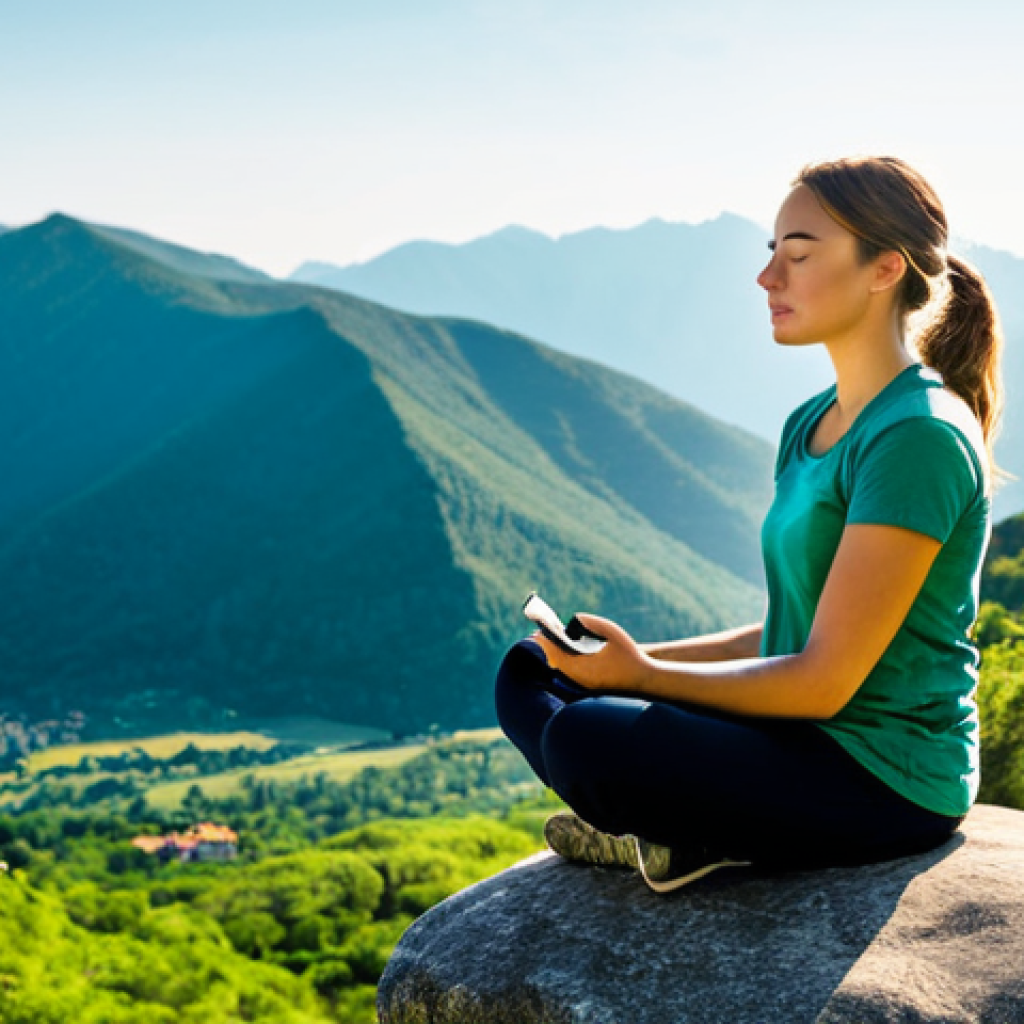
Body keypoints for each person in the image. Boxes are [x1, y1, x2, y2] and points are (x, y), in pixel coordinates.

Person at [493, 155, 1011, 893]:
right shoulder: (812, 422)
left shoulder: (917, 435)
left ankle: (684, 830)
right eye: (772, 253)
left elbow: (823, 681)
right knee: (530, 674)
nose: (768, 278)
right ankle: (681, 830)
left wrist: (643, 678)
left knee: (585, 735)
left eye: (798, 255)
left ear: (884, 269)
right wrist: (619, 662)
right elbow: (786, 632)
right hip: (795, 735)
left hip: (882, 775)